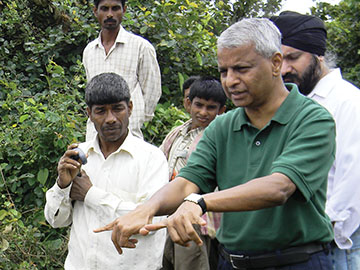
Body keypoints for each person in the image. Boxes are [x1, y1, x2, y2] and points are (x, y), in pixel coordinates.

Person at [94, 18, 336, 270]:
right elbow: (188, 182)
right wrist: (147, 208)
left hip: (296, 262)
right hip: (231, 261)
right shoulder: (222, 126)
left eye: (242, 69)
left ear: (276, 63)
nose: (230, 81)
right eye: (224, 71)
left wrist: (199, 202)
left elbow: (279, 187)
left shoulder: (312, 119)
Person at [44, 73, 168, 269]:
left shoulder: (152, 159)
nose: (110, 119)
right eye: (101, 111)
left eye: (117, 109)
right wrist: (63, 184)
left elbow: (151, 224)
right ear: (89, 114)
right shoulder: (78, 156)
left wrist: (91, 195)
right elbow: (55, 220)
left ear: (130, 108)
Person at [271, 11, 360, 270]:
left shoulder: (348, 101)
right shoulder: (292, 103)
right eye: (279, 59)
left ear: (318, 55)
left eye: (293, 57)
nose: (285, 68)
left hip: (336, 245)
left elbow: (353, 179)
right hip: (298, 246)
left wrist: (326, 231)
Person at [160, 76, 226, 270]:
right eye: (199, 105)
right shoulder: (176, 133)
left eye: (211, 107)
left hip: (199, 220)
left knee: (192, 264)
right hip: (171, 215)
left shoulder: (220, 136)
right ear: (188, 103)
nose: (203, 112)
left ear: (221, 110)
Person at [83, 0, 162, 139]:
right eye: (104, 9)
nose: (110, 14)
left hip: (129, 132)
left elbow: (152, 90)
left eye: (115, 8)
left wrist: (137, 120)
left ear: (124, 10)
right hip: (95, 134)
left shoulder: (141, 47)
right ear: (95, 11)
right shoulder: (89, 50)